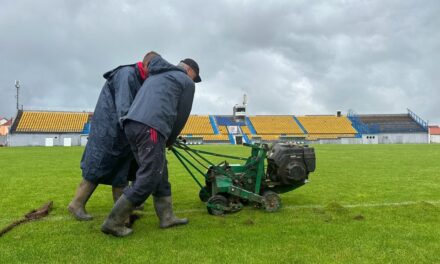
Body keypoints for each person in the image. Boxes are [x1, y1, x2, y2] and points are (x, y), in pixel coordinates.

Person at [101, 55, 201, 237]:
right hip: (151, 127)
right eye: (195, 77)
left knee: (159, 171)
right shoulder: (186, 81)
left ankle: (167, 217)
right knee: (150, 176)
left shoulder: (156, 75)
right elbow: (182, 115)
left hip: (132, 125)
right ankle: (113, 222)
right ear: (189, 71)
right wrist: (170, 139)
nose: (194, 81)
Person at [68, 52, 159, 221]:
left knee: (121, 172)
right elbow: (124, 108)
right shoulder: (126, 75)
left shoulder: (141, 79)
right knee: (96, 168)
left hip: (122, 133)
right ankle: (76, 204)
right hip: (108, 131)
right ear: (146, 65)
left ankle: (122, 210)